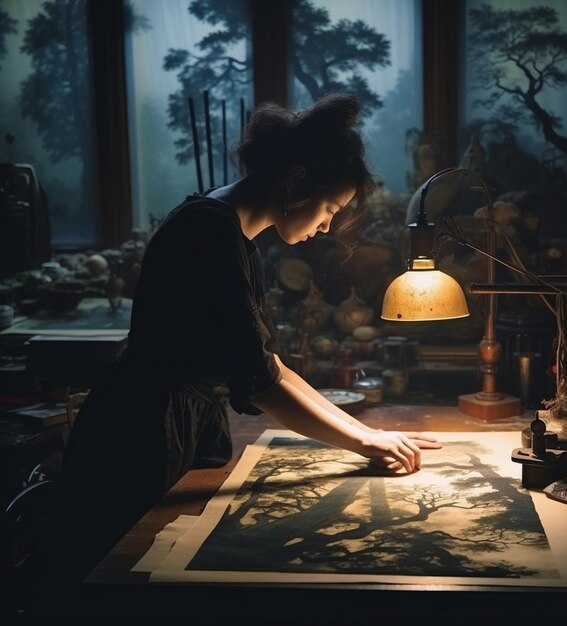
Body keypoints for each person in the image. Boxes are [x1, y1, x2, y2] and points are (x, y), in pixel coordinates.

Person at [35, 93, 440, 607]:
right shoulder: (208, 232)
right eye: (331, 208)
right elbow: (259, 382)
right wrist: (364, 446)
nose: (328, 225)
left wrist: (368, 432)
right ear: (296, 182)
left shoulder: (234, 234)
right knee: (117, 590)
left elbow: (270, 363)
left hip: (172, 422)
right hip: (139, 432)